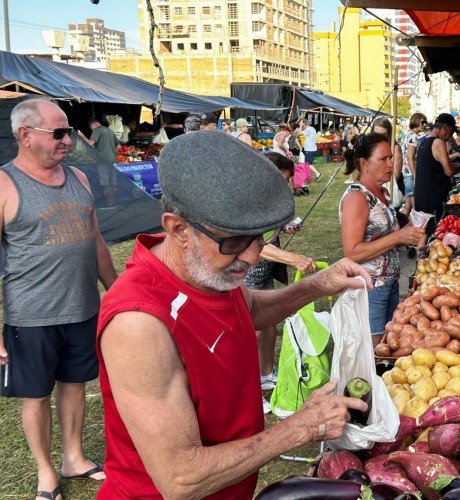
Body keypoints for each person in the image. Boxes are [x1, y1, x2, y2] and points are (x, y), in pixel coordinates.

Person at [96, 130, 370, 498]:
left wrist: (317, 284)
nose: (254, 256)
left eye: (260, 237)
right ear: (178, 229)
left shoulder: (205, 271)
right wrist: (301, 428)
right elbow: (180, 478)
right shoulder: (138, 322)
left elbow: (249, 310)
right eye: (235, 242)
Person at [0, 99, 118, 500]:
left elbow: (98, 242)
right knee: (35, 395)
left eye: (67, 131)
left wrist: (116, 295)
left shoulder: (79, 180)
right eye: (58, 132)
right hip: (30, 316)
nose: (68, 139)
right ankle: (46, 472)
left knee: (74, 384)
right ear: (25, 135)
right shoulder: (4, 185)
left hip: (82, 308)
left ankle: (74, 457)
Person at [339, 133, 426, 346]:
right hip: (370, 286)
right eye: (383, 159)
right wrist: (398, 237)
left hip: (388, 282)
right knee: (373, 348)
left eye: (391, 158)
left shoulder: (382, 193)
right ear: (363, 163)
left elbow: (384, 236)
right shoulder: (357, 198)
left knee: (387, 343)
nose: (390, 164)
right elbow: (352, 252)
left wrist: (409, 232)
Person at [245, 152, 315, 410]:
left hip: (263, 274)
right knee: (250, 332)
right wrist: (292, 258)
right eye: (282, 179)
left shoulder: (270, 201)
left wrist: (286, 228)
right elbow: (256, 246)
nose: (285, 186)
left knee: (269, 322)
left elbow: (270, 231)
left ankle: (266, 375)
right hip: (245, 275)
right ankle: (249, 388)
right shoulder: (247, 201)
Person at [415, 113, 460, 234]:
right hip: (433, 197)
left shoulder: (424, 141)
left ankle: (420, 251)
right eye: (450, 132)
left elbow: (435, 164)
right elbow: (449, 171)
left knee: (424, 232)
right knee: (434, 233)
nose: (450, 136)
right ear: (445, 127)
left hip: (422, 195)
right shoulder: (438, 142)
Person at [400, 113, 427, 220]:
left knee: (408, 205)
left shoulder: (408, 134)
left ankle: (400, 225)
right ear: (415, 122)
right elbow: (410, 158)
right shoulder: (414, 137)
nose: (424, 125)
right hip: (410, 174)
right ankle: (416, 228)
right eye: (422, 122)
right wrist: (416, 176)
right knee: (415, 206)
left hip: (406, 173)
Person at [372, 117, 405, 202]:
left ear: (389, 134)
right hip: (374, 188)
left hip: (390, 189)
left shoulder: (395, 148)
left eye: (383, 134)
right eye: (376, 134)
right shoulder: (371, 147)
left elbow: (395, 175)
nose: (378, 137)